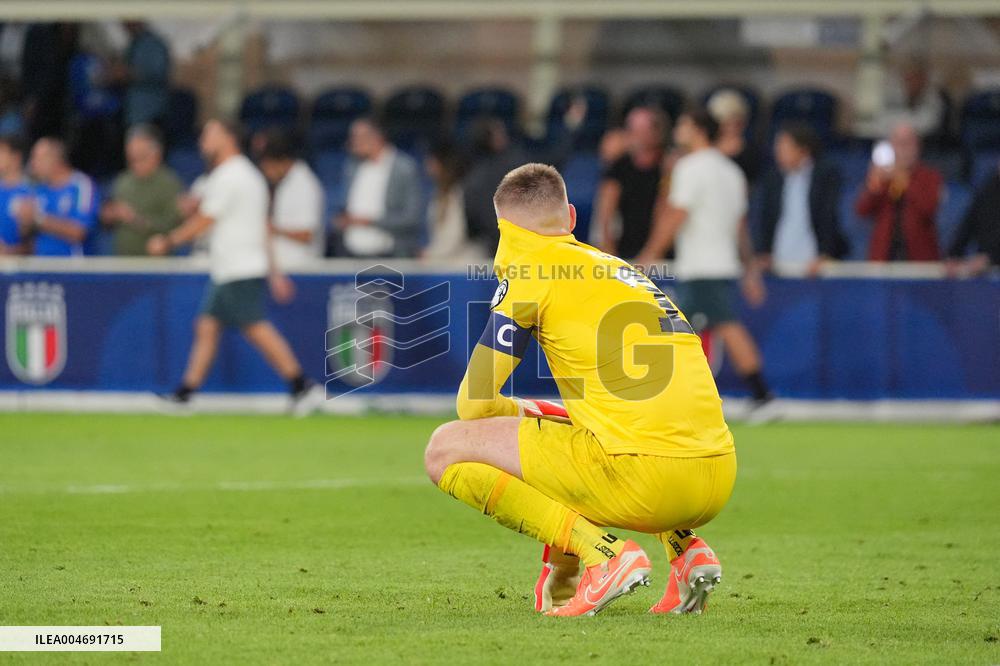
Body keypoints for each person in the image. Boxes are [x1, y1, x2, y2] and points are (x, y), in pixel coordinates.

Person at [424, 163, 736, 617]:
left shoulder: (531, 272)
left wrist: (524, 411)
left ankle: (603, 555)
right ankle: (686, 551)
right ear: (570, 217)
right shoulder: (622, 270)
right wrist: (543, 416)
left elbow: (474, 404)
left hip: (646, 480)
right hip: (718, 471)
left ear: (504, 231)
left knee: (444, 448)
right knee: (580, 433)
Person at [147, 119, 323, 415]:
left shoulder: (231, 175)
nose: (203, 140)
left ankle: (303, 386)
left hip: (239, 268)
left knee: (256, 328)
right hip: (233, 267)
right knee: (207, 326)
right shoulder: (243, 174)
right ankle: (185, 394)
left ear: (228, 138)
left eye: (210, 134)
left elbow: (206, 220)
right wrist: (273, 270)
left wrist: (168, 241)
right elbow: (261, 227)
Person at [636, 109, 774, 413]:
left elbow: (676, 215)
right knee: (699, 330)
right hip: (720, 264)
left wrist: (649, 255)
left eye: (683, 124)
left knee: (712, 327)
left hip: (701, 266)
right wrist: (749, 269)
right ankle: (743, 395)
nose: (678, 130)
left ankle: (760, 396)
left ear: (698, 130)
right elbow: (740, 227)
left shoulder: (690, 168)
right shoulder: (732, 171)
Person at [756, 122, 847, 275]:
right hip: (779, 260)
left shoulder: (825, 176)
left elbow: (829, 216)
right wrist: (764, 252)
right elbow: (765, 218)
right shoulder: (773, 179)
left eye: (784, 148)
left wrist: (825, 253)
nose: (778, 153)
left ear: (803, 150)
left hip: (813, 262)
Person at [334, 117, 423, 258]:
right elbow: (343, 207)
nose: (352, 142)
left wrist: (369, 221)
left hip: (391, 254)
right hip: (352, 253)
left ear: (377, 137)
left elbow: (411, 218)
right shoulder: (352, 167)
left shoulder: (404, 168)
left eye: (357, 137)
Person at [855, 122, 942, 261]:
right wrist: (875, 184)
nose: (903, 149)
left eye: (908, 143)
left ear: (918, 146)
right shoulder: (882, 176)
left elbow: (928, 207)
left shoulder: (930, 176)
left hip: (919, 257)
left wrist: (903, 179)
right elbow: (862, 210)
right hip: (884, 255)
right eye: (899, 144)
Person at [593, 106, 668, 260]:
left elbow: (667, 211)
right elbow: (605, 213)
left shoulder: (667, 165)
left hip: (662, 255)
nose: (634, 136)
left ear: (656, 133)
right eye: (631, 130)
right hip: (624, 250)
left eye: (641, 131)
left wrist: (651, 253)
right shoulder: (619, 167)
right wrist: (609, 253)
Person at [100, 124, 182, 256]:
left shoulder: (168, 183)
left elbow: (173, 226)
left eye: (141, 156)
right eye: (131, 158)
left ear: (156, 154)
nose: (135, 162)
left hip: (155, 262)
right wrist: (109, 215)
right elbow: (106, 224)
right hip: (123, 260)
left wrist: (135, 219)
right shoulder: (123, 181)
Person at [255, 130, 324, 273]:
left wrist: (273, 229)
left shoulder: (305, 185)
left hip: (302, 268)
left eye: (267, 166)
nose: (266, 173)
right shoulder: (286, 183)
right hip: (284, 266)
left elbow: (307, 234)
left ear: (280, 161)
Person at [462, 118, 529, 256]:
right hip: (519, 246)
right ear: (493, 140)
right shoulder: (516, 167)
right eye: (500, 132)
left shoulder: (471, 177)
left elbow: (471, 229)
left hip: (493, 251)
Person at [21, 137, 98, 256]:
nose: (32, 164)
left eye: (37, 158)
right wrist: (24, 220)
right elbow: (26, 235)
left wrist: (38, 219)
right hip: (40, 264)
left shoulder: (81, 185)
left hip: (71, 265)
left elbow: (79, 231)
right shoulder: (38, 189)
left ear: (54, 159)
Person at [421, 140, 479, 261]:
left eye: (431, 161)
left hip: (464, 263)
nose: (427, 165)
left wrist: (431, 254)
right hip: (443, 261)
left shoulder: (459, 193)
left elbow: (455, 236)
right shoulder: (439, 194)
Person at [946, 160, 1000, 277]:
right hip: (987, 271)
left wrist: (991, 258)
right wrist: (954, 255)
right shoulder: (989, 189)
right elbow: (969, 223)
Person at [115, 22, 171, 128]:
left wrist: (126, 73)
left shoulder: (153, 44)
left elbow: (156, 74)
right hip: (132, 112)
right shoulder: (133, 44)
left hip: (150, 112)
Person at [876, 59, 947, 140]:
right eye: (908, 78)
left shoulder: (935, 98)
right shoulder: (895, 95)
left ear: (924, 80)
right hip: (893, 140)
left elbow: (927, 124)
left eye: (916, 78)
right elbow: (880, 123)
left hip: (927, 142)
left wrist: (897, 123)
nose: (912, 82)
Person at [707, 89, 761, 184]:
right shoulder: (706, 149)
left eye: (737, 123)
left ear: (744, 123)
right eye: (726, 123)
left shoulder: (754, 152)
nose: (731, 128)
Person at [0, 134, 32, 255]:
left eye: (1, 152)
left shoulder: (31, 192)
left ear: (16, 157)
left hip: (21, 264)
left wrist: (9, 251)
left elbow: (36, 243)